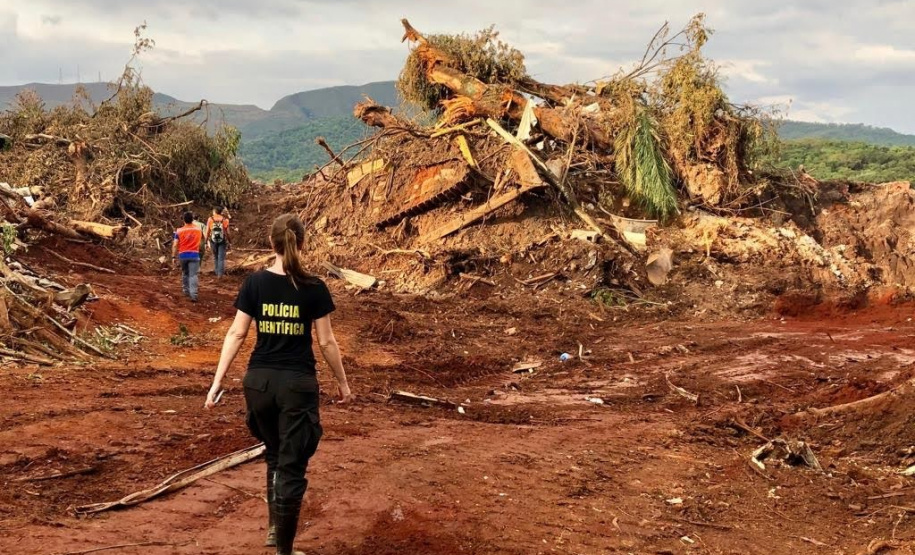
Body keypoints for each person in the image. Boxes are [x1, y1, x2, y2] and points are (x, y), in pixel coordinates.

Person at [204, 213, 353, 555]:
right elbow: (327, 343)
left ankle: (275, 530)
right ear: (301, 244)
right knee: (291, 466)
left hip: (258, 384)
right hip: (296, 386)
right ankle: (284, 551)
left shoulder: (255, 284)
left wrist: (217, 382)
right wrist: (343, 384)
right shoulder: (314, 287)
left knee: (275, 455)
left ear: (271, 244)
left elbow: (237, 332)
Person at [172, 211, 203, 302]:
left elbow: (175, 245)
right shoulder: (198, 230)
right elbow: (200, 242)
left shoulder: (179, 231)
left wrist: (173, 257)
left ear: (183, 220)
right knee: (193, 275)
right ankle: (194, 295)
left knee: (185, 273)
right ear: (192, 219)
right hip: (194, 254)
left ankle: (186, 291)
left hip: (183, 255)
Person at [206, 207, 230, 278]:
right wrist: (229, 241)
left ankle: (216, 272)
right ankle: (220, 274)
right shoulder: (225, 220)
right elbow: (227, 233)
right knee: (221, 258)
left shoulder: (210, 219)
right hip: (222, 240)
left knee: (215, 257)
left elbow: (207, 231)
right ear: (221, 212)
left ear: (214, 212)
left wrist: (206, 241)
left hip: (213, 240)